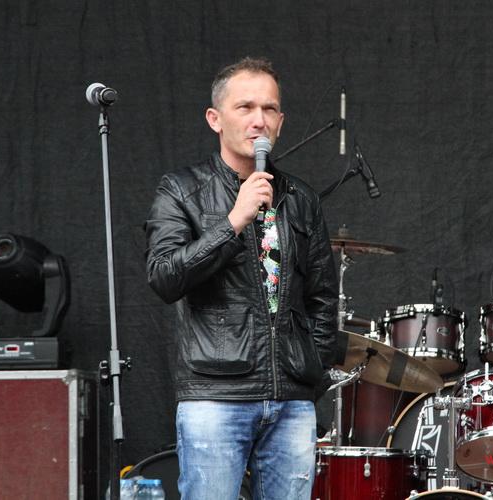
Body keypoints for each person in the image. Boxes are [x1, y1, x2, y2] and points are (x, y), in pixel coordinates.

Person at [144, 57, 338, 500]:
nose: (259, 120)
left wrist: (312, 375)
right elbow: (164, 276)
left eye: (269, 109)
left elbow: (323, 298)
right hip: (215, 395)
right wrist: (233, 221)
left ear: (281, 122)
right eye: (245, 107)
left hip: (292, 400)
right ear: (215, 119)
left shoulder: (301, 199)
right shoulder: (181, 190)